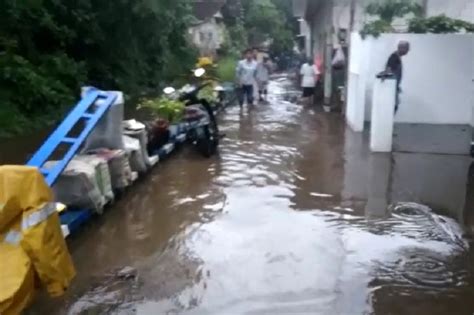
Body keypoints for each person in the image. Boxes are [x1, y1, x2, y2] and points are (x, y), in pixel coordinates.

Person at [386, 40, 410, 113]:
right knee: (394, 106)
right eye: (407, 48)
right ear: (401, 48)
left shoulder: (397, 57)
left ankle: (388, 121)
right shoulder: (394, 57)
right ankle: (387, 122)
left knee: (395, 105)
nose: (408, 51)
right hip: (392, 87)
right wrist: (392, 86)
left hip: (394, 86)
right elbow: (388, 70)